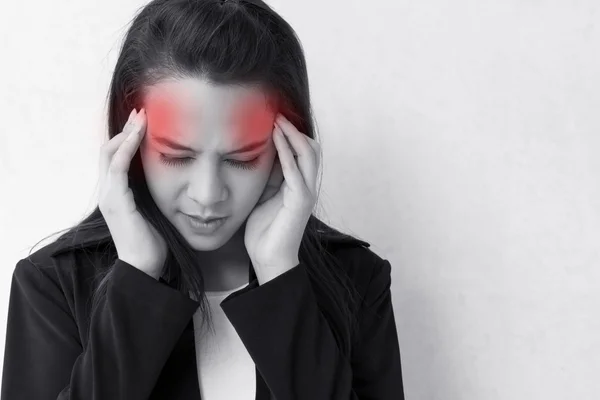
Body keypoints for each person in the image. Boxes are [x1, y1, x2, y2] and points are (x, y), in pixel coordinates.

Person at [0, 0, 404, 398]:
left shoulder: (356, 279)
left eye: (242, 158)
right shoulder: (53, 285)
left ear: (288, 150)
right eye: (176, 157)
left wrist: (280, 274)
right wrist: (136, 279)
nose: (208, 194)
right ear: (128, 144)